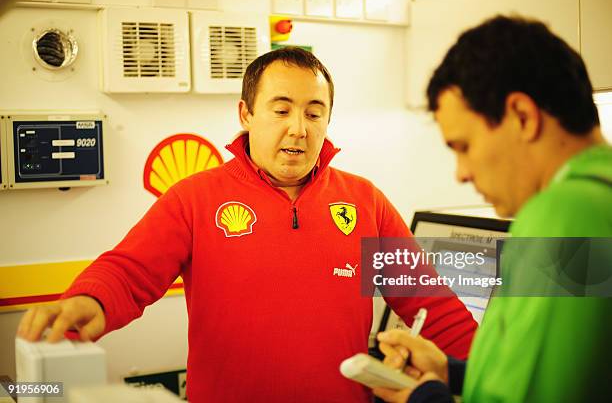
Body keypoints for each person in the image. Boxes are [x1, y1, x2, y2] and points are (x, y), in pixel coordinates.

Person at [16, 47, 478, 402]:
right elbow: (129, 272)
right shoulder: (195, 198)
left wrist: (503, 370)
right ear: (246, 114)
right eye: (281, 110)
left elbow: (433, 305)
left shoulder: (365, 201)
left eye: (314, 113)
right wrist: (88, 299)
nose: (299, 128)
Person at [372, 15, 612, 403]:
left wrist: (424, 399)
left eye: (464, 146)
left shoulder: (562, 216)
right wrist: (451, 373)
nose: (461, 173)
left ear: (521, 116)